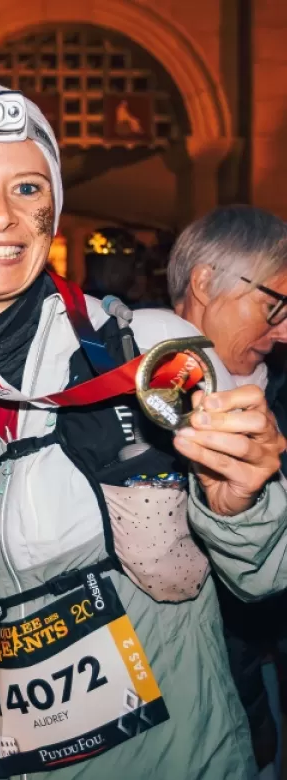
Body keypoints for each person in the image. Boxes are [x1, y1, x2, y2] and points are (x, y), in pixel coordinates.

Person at [0, 81, 287, 780]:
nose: (1, 215)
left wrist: (242, 503)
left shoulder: (151, 353)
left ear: (51, 217)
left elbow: (266, 573)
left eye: (28, 189)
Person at [168, 205, 287, 774]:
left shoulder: (278, 404)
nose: (285, 331)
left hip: (245, 691)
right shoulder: (107, 386)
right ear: (204, 281)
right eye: (274, 306)